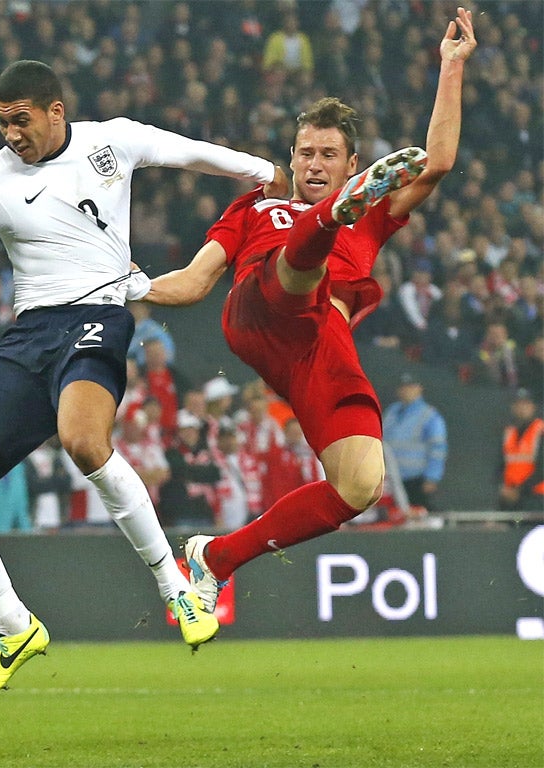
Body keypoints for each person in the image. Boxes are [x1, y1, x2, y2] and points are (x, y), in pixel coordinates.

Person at [0, 59, 287, 699]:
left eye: (21, 120)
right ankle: (13, 624)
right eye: (1, 123)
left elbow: (190, 155)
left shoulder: (112, 142)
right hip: (28, 338)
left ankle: (175, 590)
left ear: (55, 112)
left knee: (82, 441)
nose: (11, 134)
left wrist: (264, 174)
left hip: (98, 318)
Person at [141, 9, 476, 635]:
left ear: (351, 166)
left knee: (360, 485)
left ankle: (216, 558)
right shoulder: (254, 206)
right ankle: (323, 225)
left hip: (322, 347)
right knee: (299, 276)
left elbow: (439, 162)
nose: (313, 163)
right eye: (304, 154)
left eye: (328, 155)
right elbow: (192, 281)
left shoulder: (374, 217)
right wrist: (127, 286)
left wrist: (451, 67)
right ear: (291, 160)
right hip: (260, 309)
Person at [381, 373, 448, 511]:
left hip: (415, 478)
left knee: (418, 514)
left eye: (411, 386)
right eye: (403, 387)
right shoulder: (392, 412)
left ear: (419, 388)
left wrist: (432, 477)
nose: (406, 390)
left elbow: (438, 448)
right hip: (391, 479)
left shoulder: (429, 415)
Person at [498, 388, 543, 513]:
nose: (521, 408)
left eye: (526, 403)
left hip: (538, 498)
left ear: (533, 406)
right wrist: (506, 488)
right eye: (518, 404)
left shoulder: (540, 431)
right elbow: (502, 465)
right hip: (512, 499)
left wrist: (520, 489)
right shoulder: (509, 432)